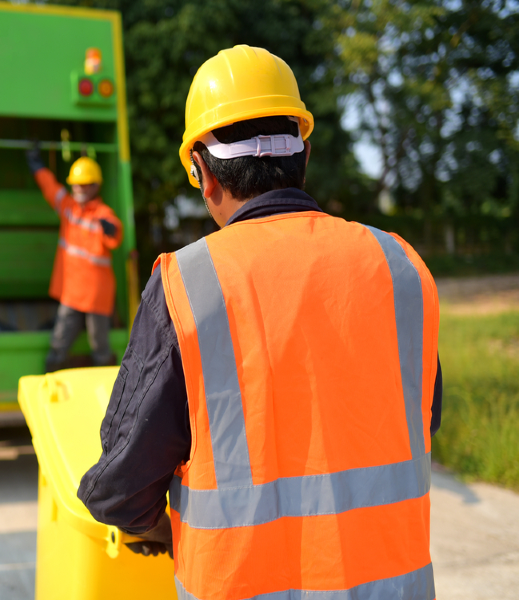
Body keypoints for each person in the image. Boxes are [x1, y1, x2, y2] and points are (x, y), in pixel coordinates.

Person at [77, 45, 443, 600]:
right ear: (304, 154)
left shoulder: (189, 283)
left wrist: (157, 526)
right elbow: (420, 420)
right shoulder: (399, 266)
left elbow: (121, 489)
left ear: (202, 172)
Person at [26, 150, 123, 372]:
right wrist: (37, 166)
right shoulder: (68, 208)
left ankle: (107, 387)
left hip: (96, 296)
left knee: (100, 346)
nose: (79, 188)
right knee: (59, 343)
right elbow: (51, 189)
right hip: (73, 293)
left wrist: (112, 229)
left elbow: (116, 234)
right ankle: (52, 382)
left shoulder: (102, 214)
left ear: (95, 186)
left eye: (85, 184)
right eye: (77, 184)